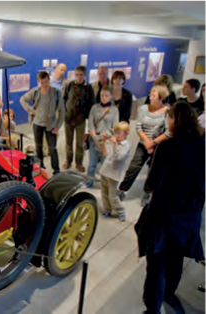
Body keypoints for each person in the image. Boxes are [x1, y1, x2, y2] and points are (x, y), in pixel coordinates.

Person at [138, 101, 205, 314]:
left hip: (165, 213)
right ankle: (169, 294)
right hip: (189, 214)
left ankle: (153, 308)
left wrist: (149, 191)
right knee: (176, 258)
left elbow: (153, 182)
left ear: (175, 119)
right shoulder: (202, 145)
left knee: (156, 263)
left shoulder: (167, 146)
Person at [118, 85, 170, 206]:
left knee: (153, 171)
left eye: (154, 96)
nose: (151, 98)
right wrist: (147, 142)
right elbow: (138, 126)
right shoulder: (143, 109)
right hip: (143, 144)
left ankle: (148, 193)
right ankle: (122, 190)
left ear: (161, 98)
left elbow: (168, 132)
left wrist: (153, 143)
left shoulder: (167, 112)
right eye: (150, 95)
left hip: (159, 146)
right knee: (133, 167)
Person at [20, 71, 65, 175]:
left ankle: (56, 170)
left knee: (52, 148)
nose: (44, 84)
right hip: (38, 124)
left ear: (49, 80)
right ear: (39, 82)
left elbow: (62, 111)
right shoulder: (35, 92)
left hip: (51, 125)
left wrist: (58, 126)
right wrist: (31, 110)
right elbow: (22, 99)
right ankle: (41, 168)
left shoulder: (56, 93)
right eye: (42, 82)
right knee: (38, 147)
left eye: (46, 82)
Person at [63, 66, 95, 172]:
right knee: (68, 142)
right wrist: (64, 113)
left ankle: (79, 162)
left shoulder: (89, 88)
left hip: (80, 119)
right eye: (77, 75)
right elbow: (63, 100)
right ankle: (68, 160)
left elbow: (92, 104)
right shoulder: (70, 85)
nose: (79, 77)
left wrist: (88, 118)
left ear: (85, 75)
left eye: (81, 75)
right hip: (68, 118)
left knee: (80, 143)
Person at [86, 86, 119, 187]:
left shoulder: (114, 110)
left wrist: (106, 136)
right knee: (92, 164)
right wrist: (94, 136)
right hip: (94, 138)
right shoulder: (94, 107)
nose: (104, 97)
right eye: (102, 95)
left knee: (105, 164)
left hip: (107, 140)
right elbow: (90, 123)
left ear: (111, 96)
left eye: (106, 96)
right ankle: (89, 181)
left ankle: (104, 183)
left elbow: (115, 127)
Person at [99, 122, 131, 222]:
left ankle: (120, 210)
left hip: (113, 174)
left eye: (119, 133)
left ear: (126, 133)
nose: (116, 135)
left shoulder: (126, 146)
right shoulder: (113, 141)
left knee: (113, 196)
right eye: (115, 133)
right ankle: (107, 209)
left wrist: (115, 144)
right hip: (105, 171)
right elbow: (105, 153)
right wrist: (104, 142)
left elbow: (119, 158)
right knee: (104, 193)